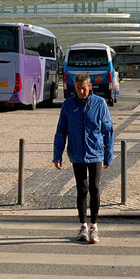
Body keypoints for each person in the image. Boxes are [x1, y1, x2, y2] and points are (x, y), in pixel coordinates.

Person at [53, 73, 114, 244]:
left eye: (84, 88)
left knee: (94, 187)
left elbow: (108, 131)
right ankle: (83, 226)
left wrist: (108, 155)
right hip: (77, 154)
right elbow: (61, 131)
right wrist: (57, 155)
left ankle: (94, 226)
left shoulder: (100, 104)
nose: (81, 91)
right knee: (82, 189)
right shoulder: (68, 105)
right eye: (78, 88)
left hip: (95, 153)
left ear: (90, 87)